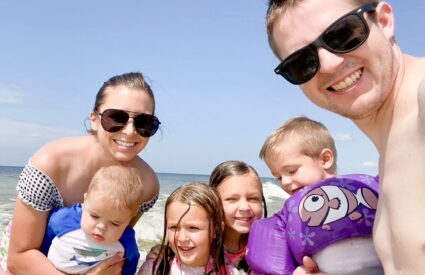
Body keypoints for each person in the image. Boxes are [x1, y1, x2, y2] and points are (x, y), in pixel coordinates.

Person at [266, 0, 425, 273]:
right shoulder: (389, 159)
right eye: (302, 62)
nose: (328, 64)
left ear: (384, 21)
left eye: (342, 33)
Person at [4, 72, 161, 275]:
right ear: (94, 119)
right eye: (116, 118)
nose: (130, 131)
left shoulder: (146, 185)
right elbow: (19, 257)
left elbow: (113, 240)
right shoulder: (50, 165)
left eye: (143, 122)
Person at [245, 116, 383, 275]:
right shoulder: (291, 209)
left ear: (325, 159)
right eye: (278, 177)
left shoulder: (367, 184)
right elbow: (269, 244)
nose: (285, 182)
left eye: (291, 171)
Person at [40, 165, 144, 275]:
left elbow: (131, 261)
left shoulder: (126, 239)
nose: (101, 227)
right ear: (85, 201)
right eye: (94, 216)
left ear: (128, 220)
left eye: (115, 223)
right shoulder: (64, 219)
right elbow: (46, 240)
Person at [138, 182, 227, 274]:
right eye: (173, 227)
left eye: (193, 228)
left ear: (216, 229)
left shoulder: (229, 272)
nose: (182, 238)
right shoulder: (154, 269)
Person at [209, 160, 267, 274]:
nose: (244, 207)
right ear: (214, 202)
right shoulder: (203, 246)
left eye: (253, 198)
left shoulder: (270, 244)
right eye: (232, 199)